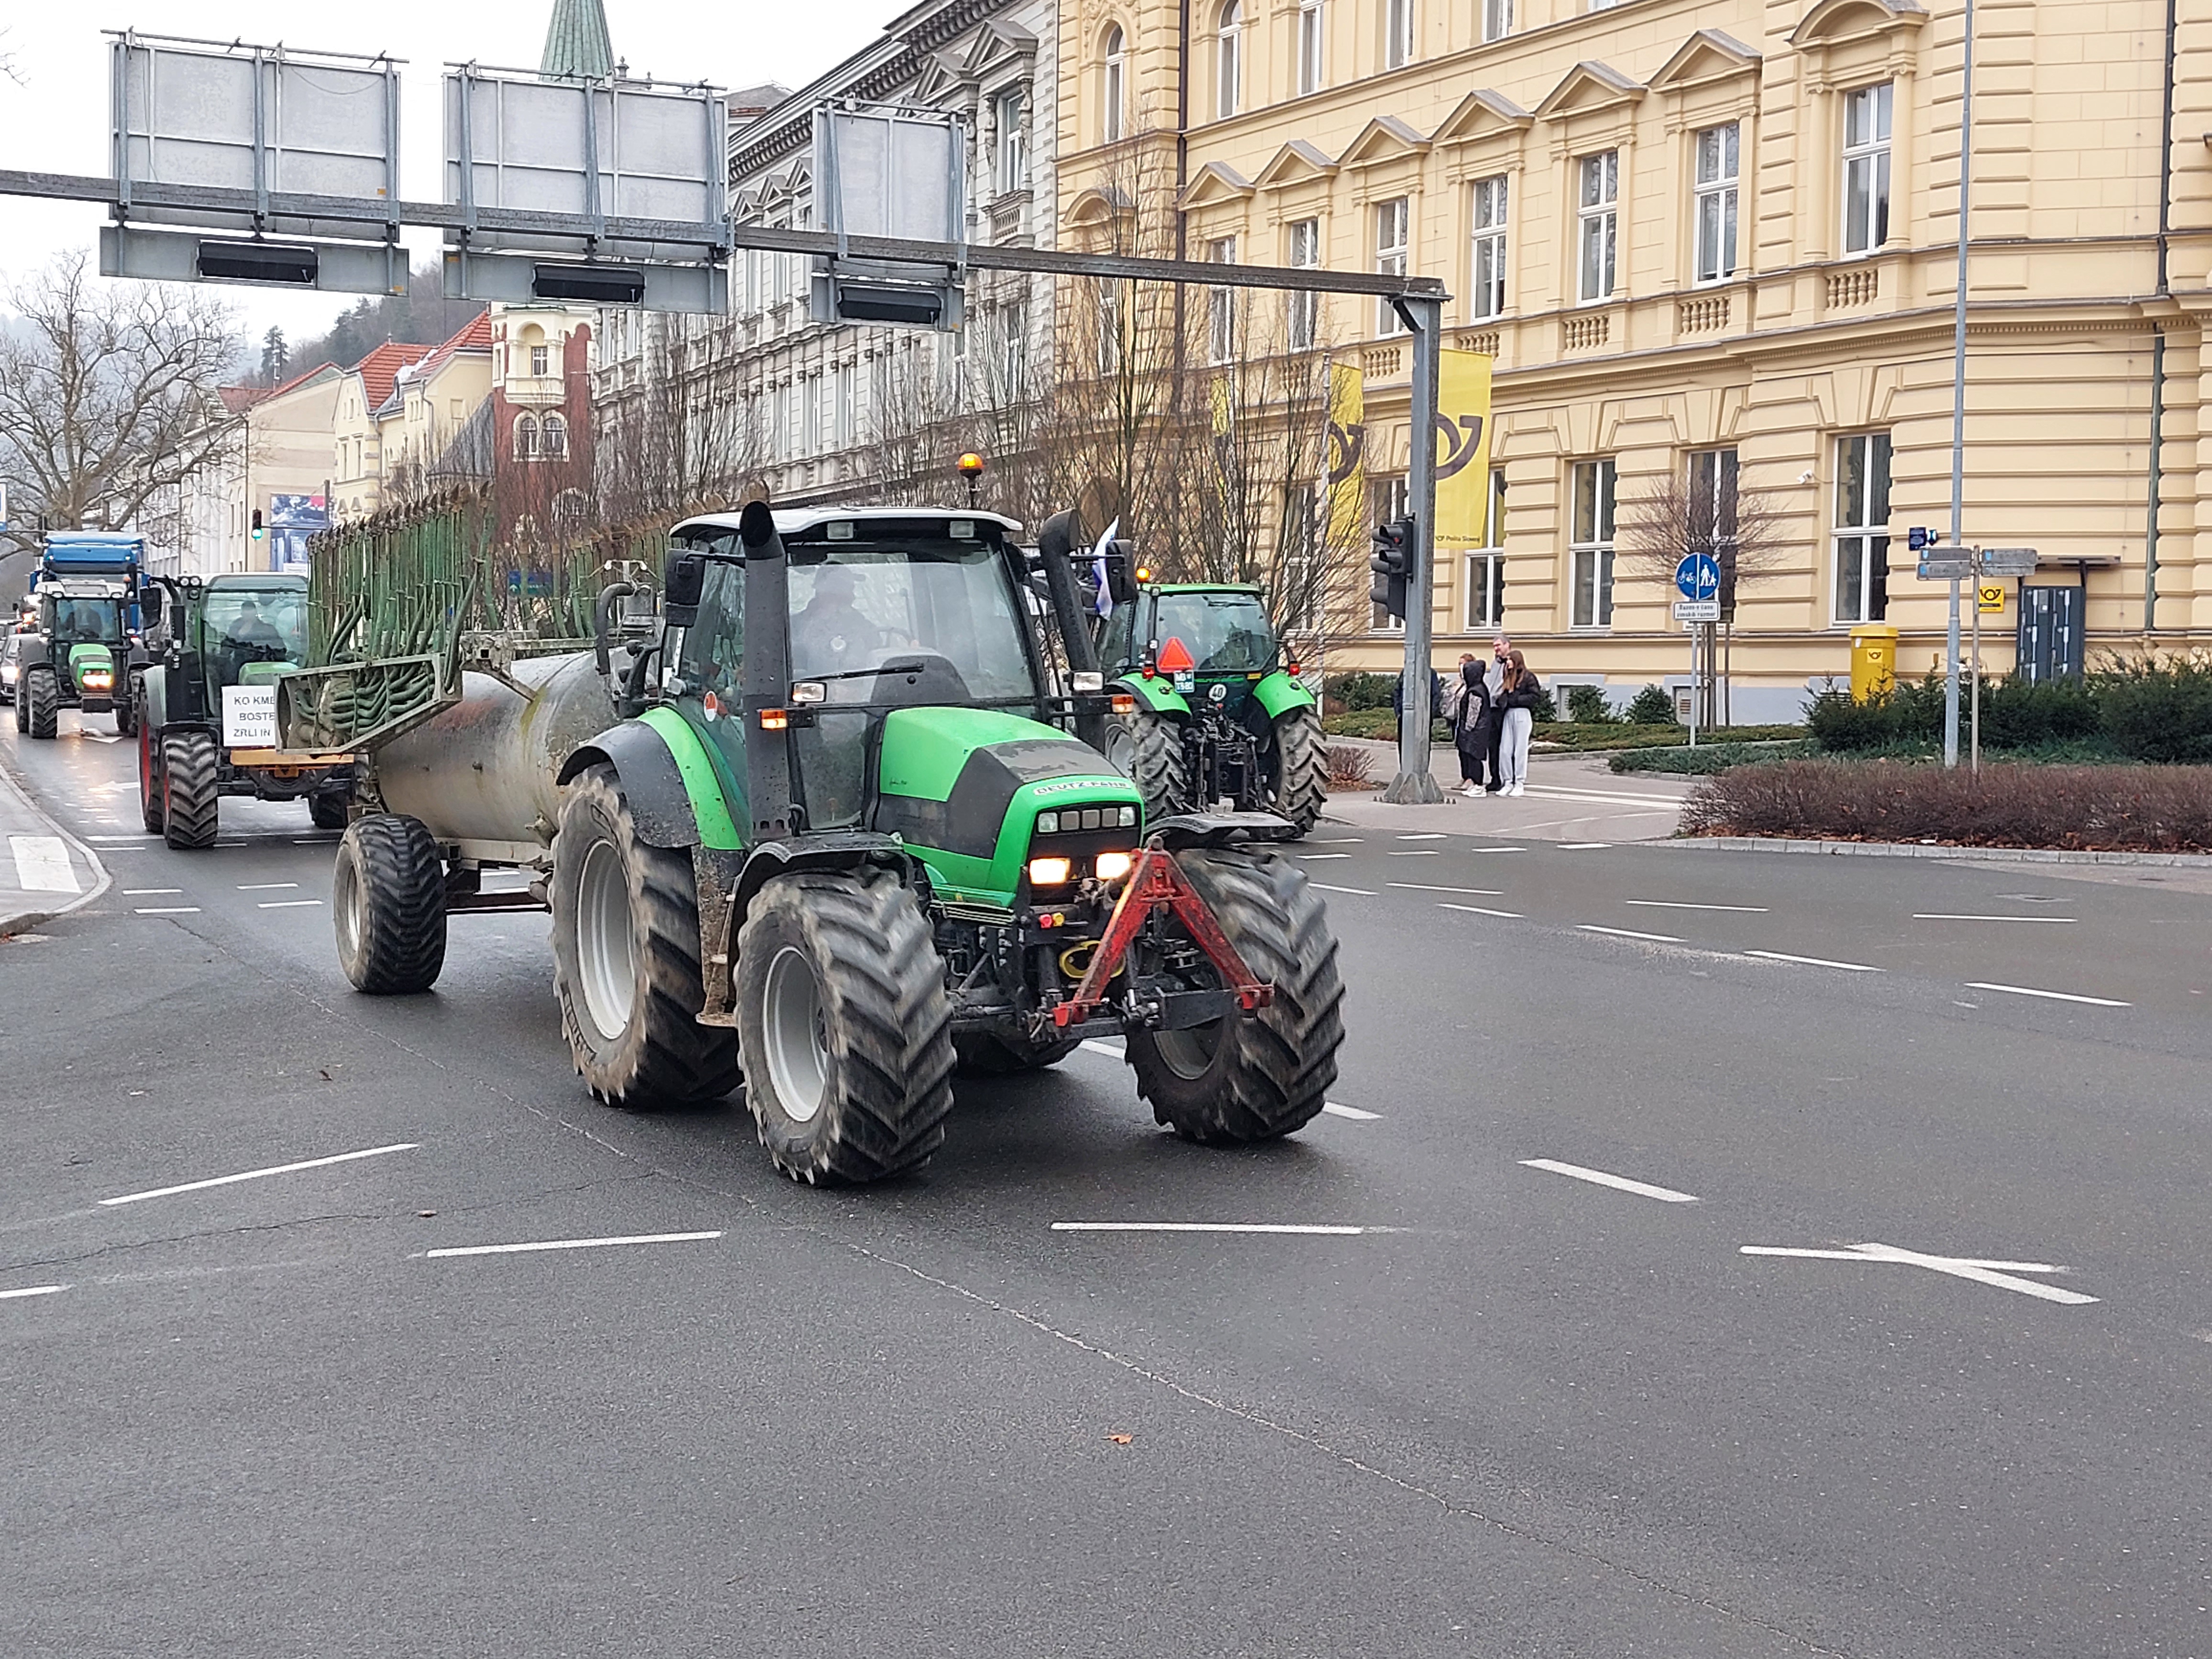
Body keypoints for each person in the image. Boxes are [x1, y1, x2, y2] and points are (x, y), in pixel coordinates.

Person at [790, 565, 880, 676]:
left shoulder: (861, 624)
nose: (853, 596)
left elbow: (877, 650)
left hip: (861, 687)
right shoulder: (794, 626)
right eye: (848, 589)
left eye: (851, 589)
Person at [1496, 647, 1544, 797]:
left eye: (1510, 660)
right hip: (1509, 713)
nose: (1508, 663)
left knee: (1520, 750)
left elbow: (1535, 696)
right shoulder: (1508, 677)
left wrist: (1516, 700)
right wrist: (1503, 701)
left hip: (1522, 713)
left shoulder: (1528, 677)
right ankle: (1508, 781)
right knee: (1505, 750)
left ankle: (1519, 782)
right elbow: (1502, 695)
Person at [1450, 655, 1493, 798]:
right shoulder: (1478, 688)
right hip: (1477, 730)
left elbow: (1473, 714)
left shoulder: (1475, 691)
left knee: (1474, 757)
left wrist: (1467, 729)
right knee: (1472, 756)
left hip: (1475, 731)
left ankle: (1478, 785)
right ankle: (1475, 784)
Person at [1481, 636, 1511, 792]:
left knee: (1503, 745)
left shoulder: (1510, 664)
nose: (1496, 649)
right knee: (1492, 746)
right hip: (1491, 708)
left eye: (1499, 645)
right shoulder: (1495, 663)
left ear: (1507, 645)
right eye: (1494, 646)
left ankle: (1506, 777)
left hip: (1501, 708)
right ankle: (1495, 777)